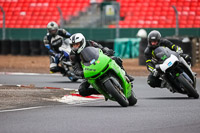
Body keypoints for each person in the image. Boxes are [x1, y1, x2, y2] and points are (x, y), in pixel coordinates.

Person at [69, 33, 134, 96]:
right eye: (73, 45)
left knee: (116, 59)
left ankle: (126, 75)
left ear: (82, 42)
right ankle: (102, 91)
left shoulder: (90, 43)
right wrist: (81, 73)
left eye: (77, 44)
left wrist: (108, 51)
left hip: (100, 62)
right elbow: (75, 68)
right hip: (88, 72)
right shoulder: (72, 55)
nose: (75, 47)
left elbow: (101, 48)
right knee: (82, 90)